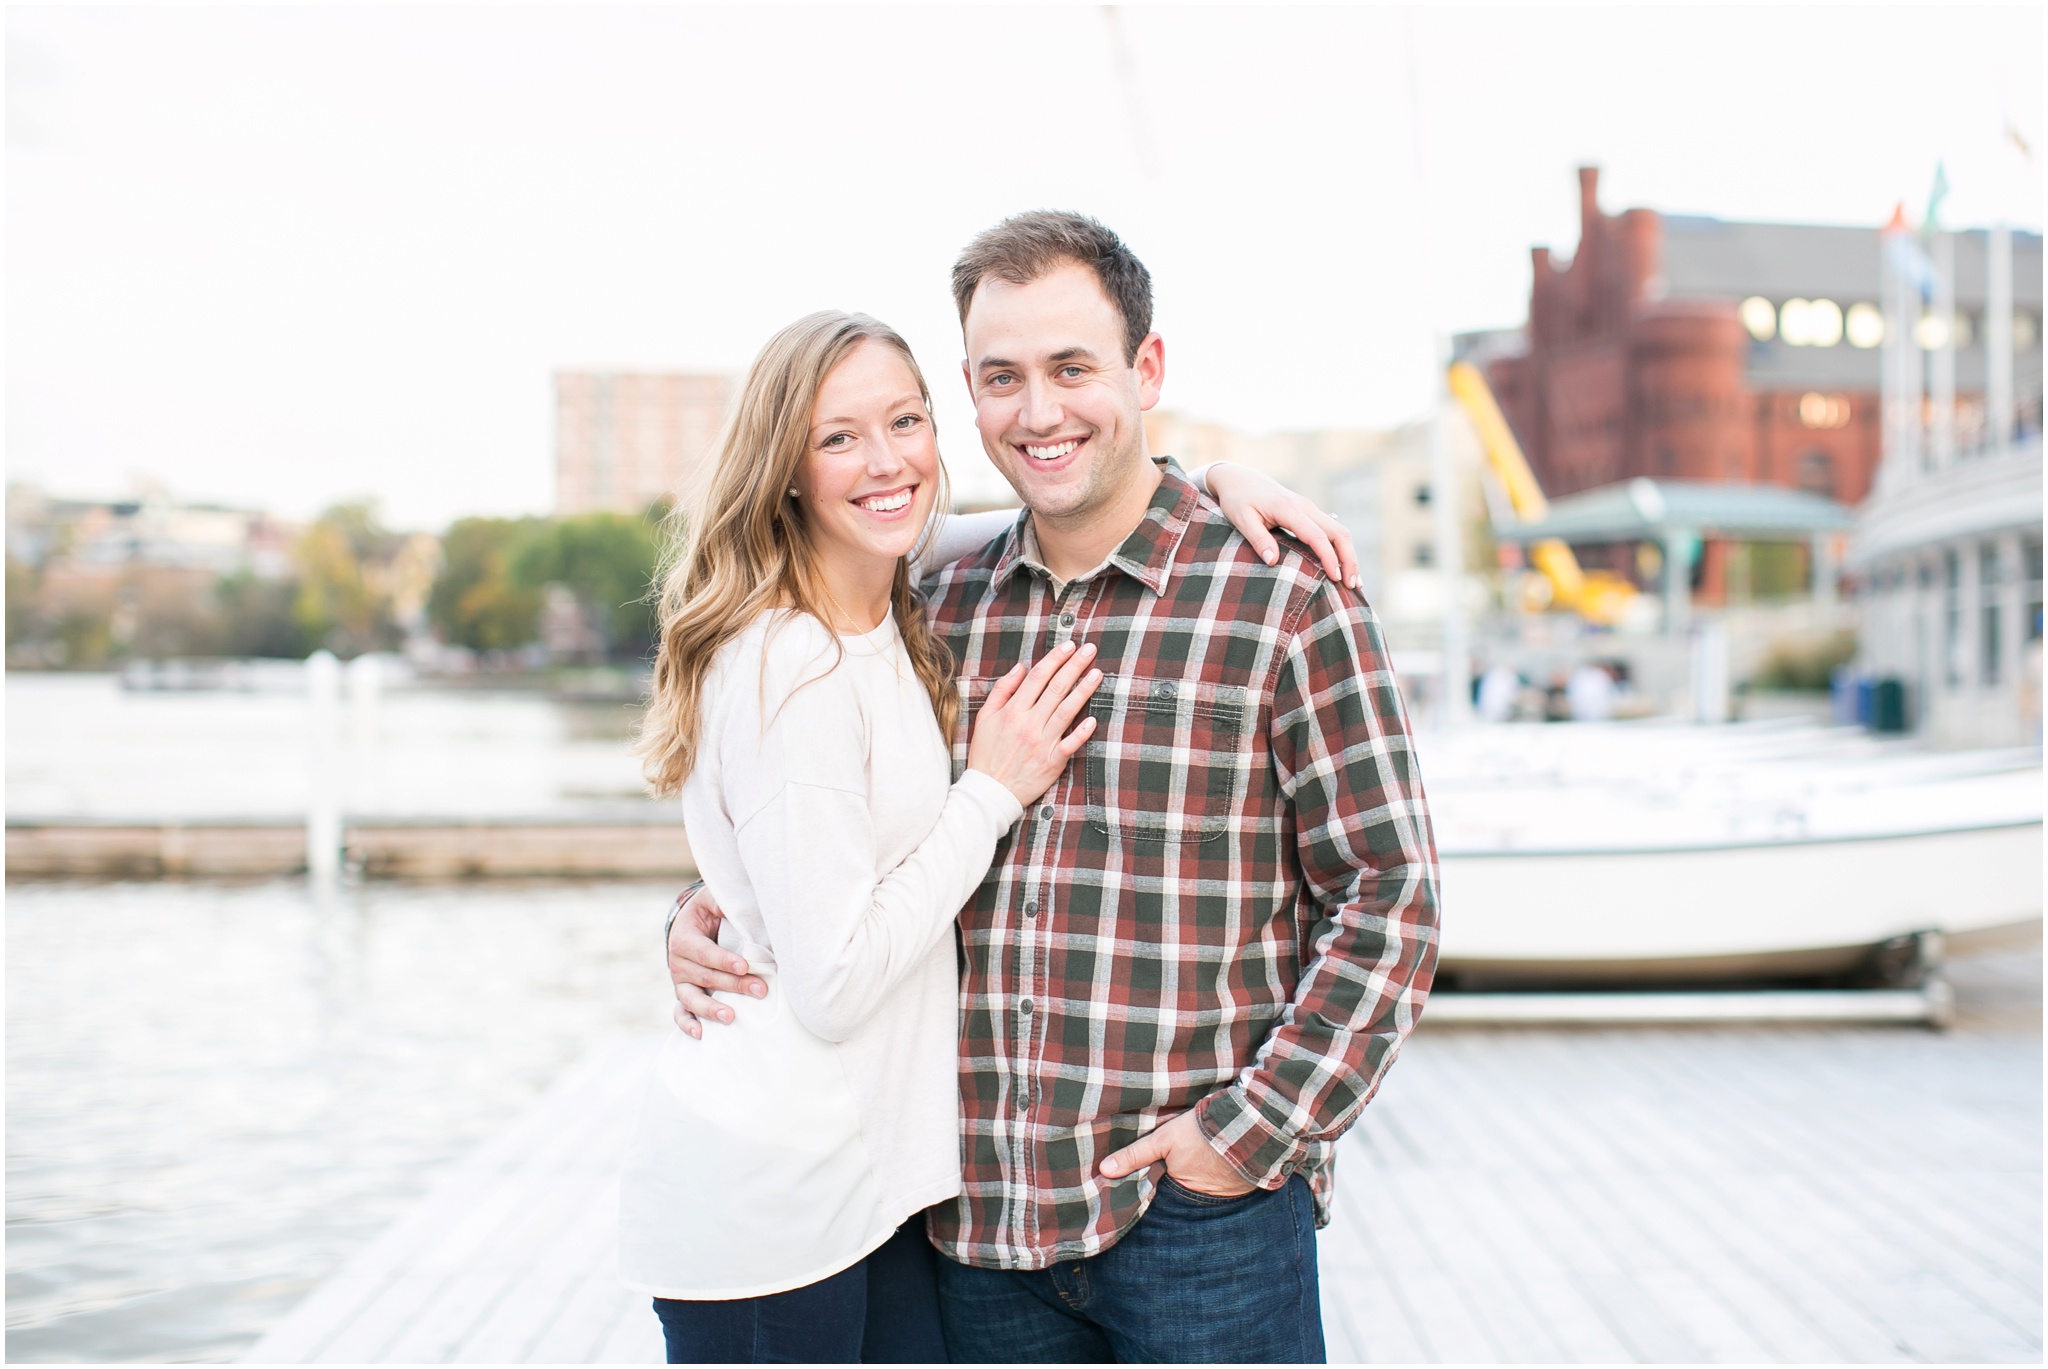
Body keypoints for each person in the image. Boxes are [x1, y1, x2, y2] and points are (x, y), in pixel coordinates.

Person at [668, 212, 1440, 1364]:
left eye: (1071, 368)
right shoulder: (937, 597)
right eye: (999, 377)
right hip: (974, 1235)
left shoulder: (1280, 598)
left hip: (1199, 1226)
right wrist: (702, 913)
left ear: (1147, 369)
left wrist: (1247, 1134)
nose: (1037, 412)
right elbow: (820, 814)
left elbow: (1388, 895)